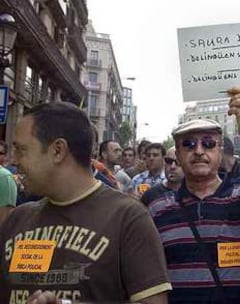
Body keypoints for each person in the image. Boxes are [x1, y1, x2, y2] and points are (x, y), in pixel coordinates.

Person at [0, 102, 171, 304]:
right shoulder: (17, 219)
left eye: (22, 150)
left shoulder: (128, 218)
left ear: (57, 150)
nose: (14, 160)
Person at [149, 87, 240, 304]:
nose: (198, 150)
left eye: (208, 143)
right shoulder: (157, 207)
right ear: (177, 154)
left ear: (219, 150)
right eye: (188, 144)